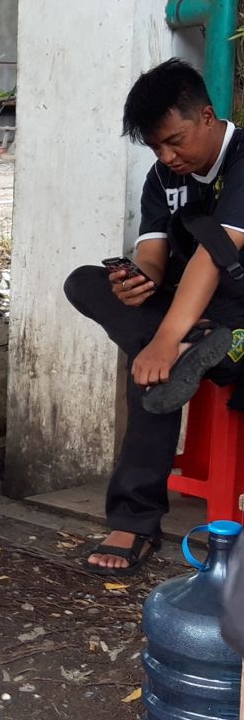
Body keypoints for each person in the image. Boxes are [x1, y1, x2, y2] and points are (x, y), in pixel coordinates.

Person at [65, 58, 244, 576]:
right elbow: (153, 255)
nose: (168, 156)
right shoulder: (163, 175)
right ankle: (188, 347)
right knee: (84, 281)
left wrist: (165, 339)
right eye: (156, 147)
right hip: (196, 312)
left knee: (151, 362)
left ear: (207, 117)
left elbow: (215, 255)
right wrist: (135, 281)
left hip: (238, 318)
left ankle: (136, 522)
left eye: (175, 140)